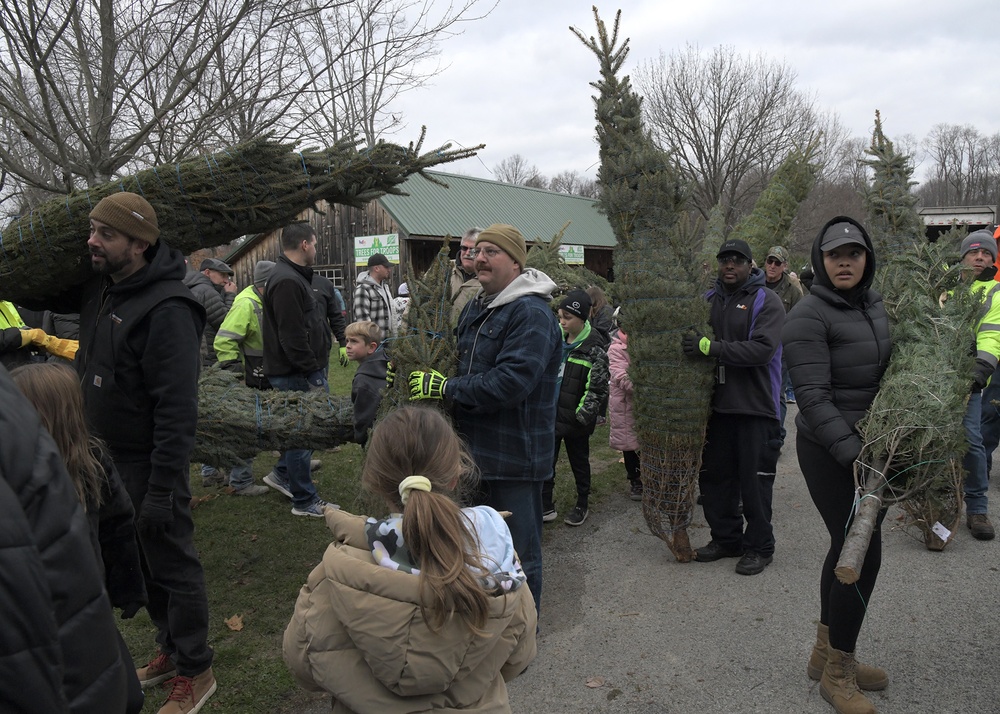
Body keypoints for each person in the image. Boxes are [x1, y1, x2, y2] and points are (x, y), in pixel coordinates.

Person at [31, 192, 216, 712]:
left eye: (105, 234)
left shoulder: (169, 309)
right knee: (139, 560)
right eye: (91, 230)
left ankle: (197, 670)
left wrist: (162, 490)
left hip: (148, 464)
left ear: (139, 244)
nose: (92, 241)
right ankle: (169, 649)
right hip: (106, 460)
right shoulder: (104, 288)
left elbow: (177, 412)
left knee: (171, 563)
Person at [283, 406, 537, 713]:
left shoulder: (334, 575)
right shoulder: (498, 564)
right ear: (456, 475)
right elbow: (517, 659)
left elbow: (303, 665)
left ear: (374, 482)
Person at [408, 223, 561, 613]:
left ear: (514, 260)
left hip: (514, 458)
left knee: (517, 551)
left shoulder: (531, 313)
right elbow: (457, 361)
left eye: (491, 251)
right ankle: (483, 627)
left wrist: (445, 388)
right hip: (472, 454)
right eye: (477, 252)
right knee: (474, 546)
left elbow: (511, 383)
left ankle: (524, 630)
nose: (480, 258)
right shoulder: (480, 306)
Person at [782, 216, 892, 714]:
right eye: (833, 254)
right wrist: (853, 453)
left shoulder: (874, 305)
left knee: (846, 546)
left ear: (867, 259)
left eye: (853, 252)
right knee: (861, 553)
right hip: (833, 452)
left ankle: (824, 653)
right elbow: (812, 396)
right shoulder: (808, 314)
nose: (844, 261)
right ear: (820, 262)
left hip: (873, 450)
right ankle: (838, 672)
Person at [11, 362, 147, 714]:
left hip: (84, 601)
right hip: (36, 613)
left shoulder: (93, 463)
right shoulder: (18, 479)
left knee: (127, 695)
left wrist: (126, 588)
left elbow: (118, 525)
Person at [683, 238, 783, 576]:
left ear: (750, 265)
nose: (730, 265)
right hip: (718, 409)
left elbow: (761, 351)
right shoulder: (708, 300)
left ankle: (760, 547)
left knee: (754, 484)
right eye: (725, 259)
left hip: (756, 408)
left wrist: (710, 348)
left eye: (737, 260)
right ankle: (726, 540)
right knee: (715, 481)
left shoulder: (765, 300)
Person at [262, 222, 337, 517]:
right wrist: (312, 372)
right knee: (302, 433)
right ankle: (304, 501)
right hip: (296, 372)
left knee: (300, 432)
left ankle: (281, 474)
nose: (316, 250)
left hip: (299, 369)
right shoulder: (287, 281)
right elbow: (291, 336)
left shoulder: (293, 277)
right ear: (305, 245)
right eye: (315, 244)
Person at [542, 289, 610, 527]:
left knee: (578, 462)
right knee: (547, 461)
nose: (562, 322)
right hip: (551, 414)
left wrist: (582, 416)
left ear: (582, 318)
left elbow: (598, 389)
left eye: (567, 318)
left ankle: (582, 503)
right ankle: (545, 504)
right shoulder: (555, 341)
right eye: (560, 316)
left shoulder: (595, 349)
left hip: (575, 420)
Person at [212, 260, 277, 496]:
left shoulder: (262, 299)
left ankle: (219, 474)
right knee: (246, 428)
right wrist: (234, 373)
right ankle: (240, 482)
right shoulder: (246, 304)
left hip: (261, 373)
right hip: (249, 376)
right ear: (266, 285)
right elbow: (224, 339)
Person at [953, 231, 1000, 540]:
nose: (980, 257)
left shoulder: (995, 293)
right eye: (973, 252)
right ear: (963, 258)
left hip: (970, 379)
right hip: (934, 376)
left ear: (993, 260)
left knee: (972, 439)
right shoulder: (944, 288)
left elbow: (992, 335)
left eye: (986, 253)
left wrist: (979, 370)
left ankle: (977, 508)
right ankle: (937, 500)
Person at [764, 245, 805, 438]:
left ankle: (776, 437)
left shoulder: (792, 291)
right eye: (769, 261)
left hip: (780, 350)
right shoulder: (754, 282)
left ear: (784, 265)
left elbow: (799, 321)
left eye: (777, 262)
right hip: (756, 345)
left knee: (777, 393)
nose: (772, 266)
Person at [183, 256, 237, 367]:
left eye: (227, 276)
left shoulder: (191, 287)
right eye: (222, 275)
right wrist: (230, 295)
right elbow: (225, 324)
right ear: (207, 272)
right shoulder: (207, 291)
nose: (226, 280)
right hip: (208, 356)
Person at [609, 326, 642, 501]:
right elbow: (620, 375)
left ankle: (650, 476)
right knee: (629, 444)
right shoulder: (617, 348)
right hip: (625, 405)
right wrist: (646, 387)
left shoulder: (646, 343)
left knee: (645, 443)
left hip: (644, 404)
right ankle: (635, 479)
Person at [345, 320, 388, 448]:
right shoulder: (386, 362)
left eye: (354, 341)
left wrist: (360, 438)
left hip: (376, 442)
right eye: (347, 340)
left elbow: (364, 420)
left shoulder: (363, 381)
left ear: (371, 347)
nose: (347, 345)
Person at [311, 273, 349, 371]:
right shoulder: (288, 280)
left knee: (321, 383)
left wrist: (343, 343)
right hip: (294, 349)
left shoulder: (324, 283)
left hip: (321, 349)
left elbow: (335, 315)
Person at [353, 252, 396, 337]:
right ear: (376, 268)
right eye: (386, 267)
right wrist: (371, 344)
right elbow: (363, 323)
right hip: (374, 344)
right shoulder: (363, 289)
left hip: (388, 343)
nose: (389, 270)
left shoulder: (385, 287)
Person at [450, 226, 483, 321]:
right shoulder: (443, 268)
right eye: (464, 248)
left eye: (473, 250)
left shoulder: (490, 276)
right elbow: (416, 300)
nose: (467, 253)